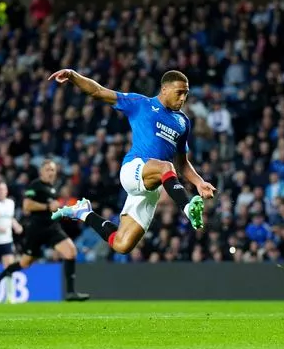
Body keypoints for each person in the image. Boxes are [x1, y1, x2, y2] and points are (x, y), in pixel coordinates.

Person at [47, 69, 216, 255]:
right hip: (134, 169)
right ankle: (187, 207)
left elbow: (182, 163)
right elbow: (98, 91)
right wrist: (73, 75)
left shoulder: (183, 122)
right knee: (166, 167)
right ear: (165, 89)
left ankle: (83, 212)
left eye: (186, 93)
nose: (183, 98)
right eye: (179, 93)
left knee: (122, 245)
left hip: (154, 184)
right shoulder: (140, 104)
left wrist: (199, 182)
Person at [0, 160, 90, 301]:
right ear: (41, 172)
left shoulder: (53, 188)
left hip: (52, 228)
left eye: (53, 170)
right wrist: (47, 206)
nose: (51, 172)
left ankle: (70, 292)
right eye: (48, 169)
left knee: (71, 251)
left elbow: (53, 208)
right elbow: (26, 206)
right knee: (25, 263)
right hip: (36, 230)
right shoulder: (35, 185)